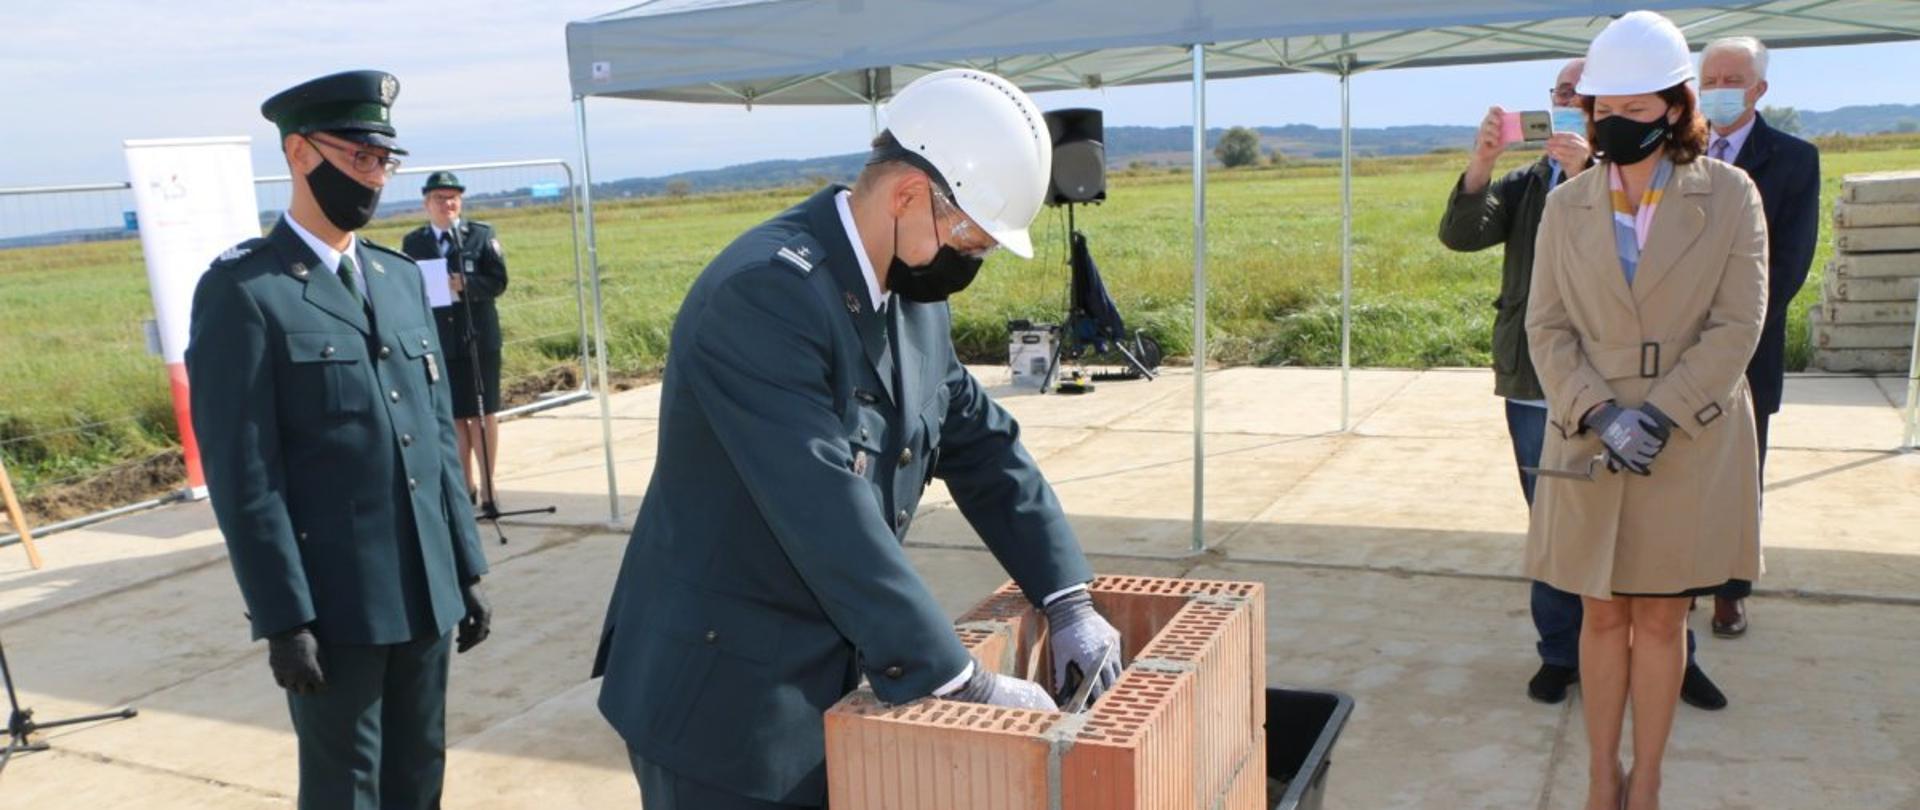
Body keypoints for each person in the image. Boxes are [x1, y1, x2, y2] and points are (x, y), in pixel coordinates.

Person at [591, 69, 1124, 810]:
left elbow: (982, 444)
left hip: (822, 674)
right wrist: (955, 677)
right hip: (724, 703)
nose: (971, 262)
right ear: (907, 195)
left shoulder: (908, 299)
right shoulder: (765, 295)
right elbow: (823, 507)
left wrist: (1067, 598)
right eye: (970, 239)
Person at [185, 70, 493, 810]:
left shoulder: (394, 276)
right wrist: (284, 616)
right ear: (299, 153)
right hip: (336, 602)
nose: (375, 176)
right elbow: (245, 477)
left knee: (419, 773)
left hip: (424, 586)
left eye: (384, 161)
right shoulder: (246, 292)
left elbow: (434, 438)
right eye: (358, 157)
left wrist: (464, 564)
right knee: (344, 788)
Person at [1526, 12, 1766, 809]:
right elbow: (1547, 327)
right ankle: (1603, 775)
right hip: (1591, 439)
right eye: (1604, 109)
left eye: (1635, 109)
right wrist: (1599, 413)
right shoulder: (1568, 205)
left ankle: (1650, 778)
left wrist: (1658, 416)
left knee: (1662, 622)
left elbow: (1740, 324)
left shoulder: (1729, 195)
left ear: (1674, 106)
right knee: (1598, 617)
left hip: (1686, 437)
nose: (1615, 124)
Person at [1438, 59, 1725, 711]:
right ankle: (1561, 653)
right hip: (1542, 382)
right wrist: (1481, 163)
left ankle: (1675, 658)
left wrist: (1582, 177)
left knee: (1661, 525)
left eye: (1581, 97)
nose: (1570, 105)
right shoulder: (1524, 184)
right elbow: (1461, 235)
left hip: (1637, 388)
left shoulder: (1652, 186)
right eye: (1559, 95)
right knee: (1558, 522)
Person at [1698, 35, 1822, 638]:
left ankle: (1730, 590)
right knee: (1679, 472)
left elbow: (1789, 265)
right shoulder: (1677, 154)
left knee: (1740, 474)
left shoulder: (1794, 160)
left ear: (1759, 89)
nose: (1718, 89)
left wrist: (1729, 334)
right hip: (1671, 346)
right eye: (1710, 78)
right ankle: (1678, 581)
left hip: (1749, 346)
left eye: (1731, 79)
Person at [402, 172, 511, 515]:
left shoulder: (480, 235)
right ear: (426, 203)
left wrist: (467, 284)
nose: (447, 204)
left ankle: (490, 488)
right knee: (454, 416)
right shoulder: (414, 242)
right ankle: (465, 489)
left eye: (453, 198)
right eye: (439, 198)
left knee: (483, 413)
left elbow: (498, 281)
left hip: (479, 338)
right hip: (440, 340)